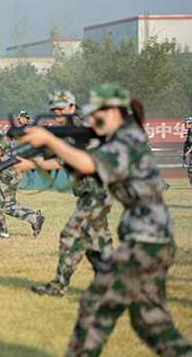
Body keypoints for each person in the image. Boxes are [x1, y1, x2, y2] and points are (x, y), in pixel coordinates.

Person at [19, 84, 192, 357]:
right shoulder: (120, 137)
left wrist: (50, 140)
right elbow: (82, 165)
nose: (91, 120)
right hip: (152, 239)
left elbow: (88, 164)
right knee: (151, 323)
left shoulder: (127, 139)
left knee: (95, 304)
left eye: (96, 114)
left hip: (146, 241)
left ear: (114, 111)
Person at [13, 90, 113, 296]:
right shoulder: (70, 129)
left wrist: (34, 162)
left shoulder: (83, 129)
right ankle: (113, 286)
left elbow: (70, 161)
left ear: (72, 108)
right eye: (54, 109)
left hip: (97, 191)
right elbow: (60, 159)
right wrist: (33, 161)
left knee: (70, 236)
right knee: (97, 245)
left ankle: (59, 285)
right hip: (89, 191)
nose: (57, 112)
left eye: (61, 108)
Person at [0, 105, 44, 238]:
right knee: (7, 204)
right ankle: (35, 217)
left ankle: (3, 233)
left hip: (7, 170)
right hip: (11, 170)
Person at [16, 110, 35, 189]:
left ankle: (30, 186)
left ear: (24, 118)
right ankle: (30, 186)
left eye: (19, 118)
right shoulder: (29, 124)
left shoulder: (30, 123)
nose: (18, 120)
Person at [184, 117, 192, 187]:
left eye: (186, 124)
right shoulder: (189, 131)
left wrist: (188, 152)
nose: (185, 126)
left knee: (190, 170)